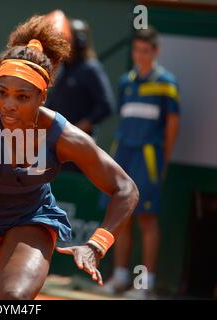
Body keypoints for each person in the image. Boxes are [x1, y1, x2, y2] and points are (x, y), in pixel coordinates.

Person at [0, 15, 139, 300]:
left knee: (15, 298)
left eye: (22, 97)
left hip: (30, 217)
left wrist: (96, 245)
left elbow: (125, 189)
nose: (9, 105)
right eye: (2, 93)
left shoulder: (64, 137)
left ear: (42, 97)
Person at [100, 26, 180, 299]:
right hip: (124, 154)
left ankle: (145, 284)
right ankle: (121, 277)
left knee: (146, 219)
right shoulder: (126, 81)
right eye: (136, 50)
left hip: (149, 157)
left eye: (145, 51)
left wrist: (162, 160)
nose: (140, 55)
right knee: (122, 216)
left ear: (155, 52)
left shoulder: (167, 83)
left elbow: (172, 125)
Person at [45, 12, 114, 173]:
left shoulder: (90, 69)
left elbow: (106, 106)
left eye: (67, 39)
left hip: (77, 145)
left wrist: (78, 127)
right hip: (55, 144)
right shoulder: (62, 69)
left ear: (80, 42)